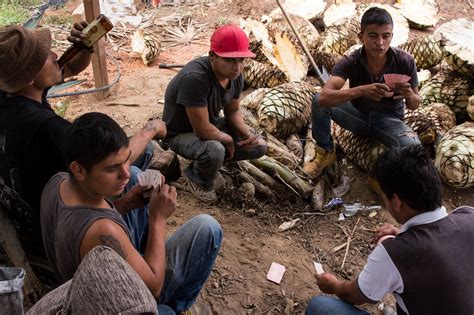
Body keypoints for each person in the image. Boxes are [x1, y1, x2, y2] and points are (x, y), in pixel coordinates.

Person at [41, 112, 222, 314]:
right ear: (79, 170)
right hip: (107, 302)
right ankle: (172, 307)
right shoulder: (102, 229)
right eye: (111, 169)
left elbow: (91, 226)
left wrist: (125, 204)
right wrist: (158, 218)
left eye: (126, 160)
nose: (124, 173)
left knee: (136, 177)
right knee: (208, 228)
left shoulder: (57, 181)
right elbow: (153, 288)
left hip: (81, 279)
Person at [0, 23, 166, 234]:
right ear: (31, 76)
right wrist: (150, 128)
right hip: (57, 222)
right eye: (44, 55)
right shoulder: (48, 128)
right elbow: (111, 162)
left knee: (146, 151)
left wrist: (85, 47)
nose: (54, 55)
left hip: (27, 198)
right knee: (131, 172)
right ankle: (135, 245)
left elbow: (66, 68)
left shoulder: (12, 91)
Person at [305, 145, 474, 315]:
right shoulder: (468, 215)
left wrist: (333, 285)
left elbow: (353, 295)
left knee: (318, 306)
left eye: (384, 196)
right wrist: (403, 235)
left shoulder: (396, 253)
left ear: (396, 202)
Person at [303, 7, 421, 179]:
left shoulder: (405, 61)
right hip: (357, 116)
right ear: (361, 37)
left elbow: (414, 104)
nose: (380, 42)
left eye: (385, 36)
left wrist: (409, 94)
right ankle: (325, 150)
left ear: (392, 36)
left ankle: (388, 181)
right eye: (373, 35)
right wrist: (361, 91)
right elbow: (325, 96)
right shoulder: (351, 61)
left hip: (389, 121)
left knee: (413, 149)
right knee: (318, 100)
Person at [162, 24, 267, 203]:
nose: (237, 67)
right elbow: (202, 130)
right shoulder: (195, 78)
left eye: (241, 60)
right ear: (212, 56)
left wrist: (246, 133)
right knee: (214, 150)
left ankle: (209, 164)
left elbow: (232, 111)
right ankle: (196, 178)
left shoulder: (236, 76)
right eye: (229, 60)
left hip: (210, 124)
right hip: (178, 134)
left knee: (259, 146)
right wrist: (227, 140)